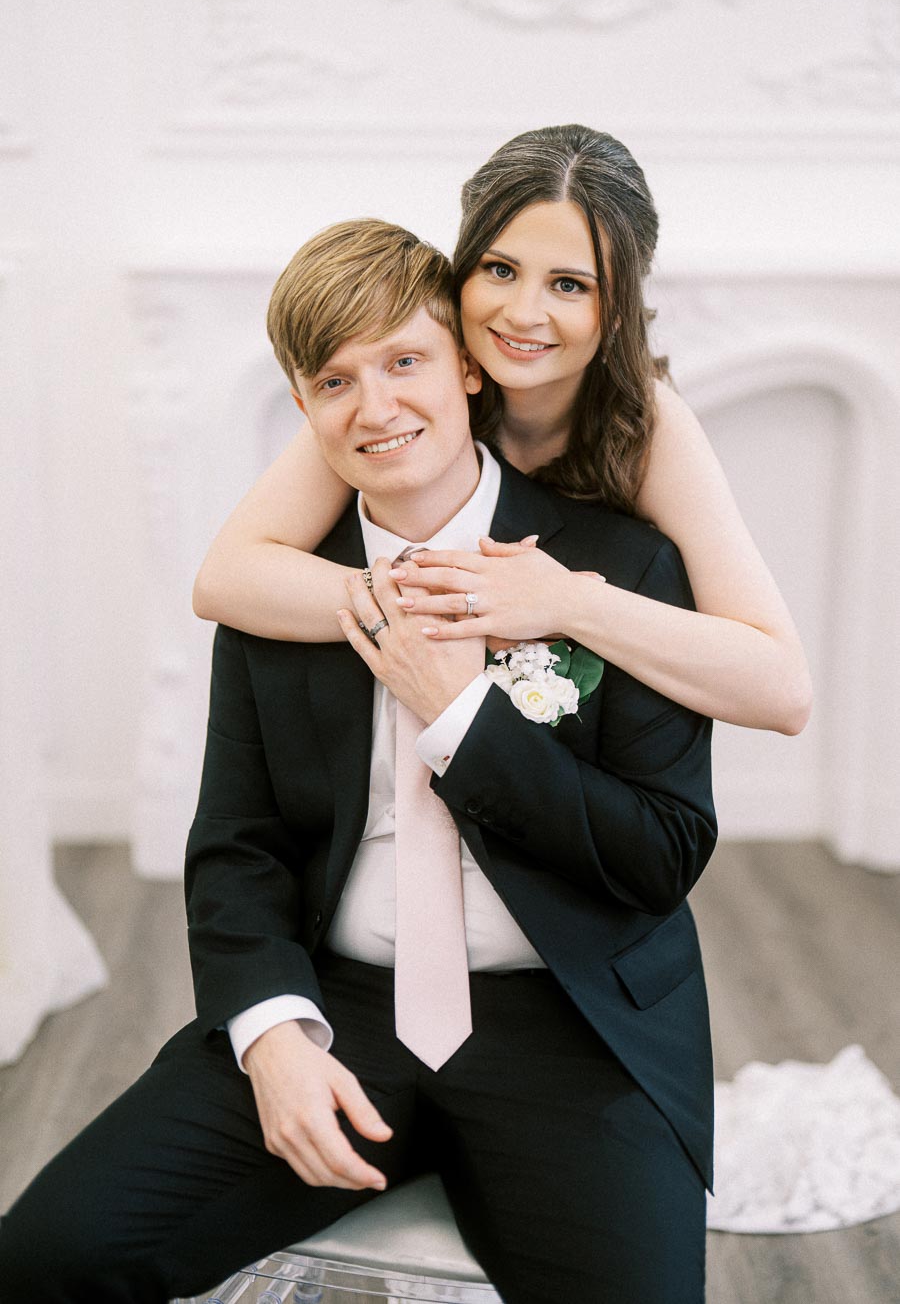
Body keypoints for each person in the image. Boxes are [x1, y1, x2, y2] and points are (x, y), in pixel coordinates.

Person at [0, 218, 717, 1303]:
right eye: (334, 381)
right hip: (339, 1003)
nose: (375, 407)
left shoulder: (618, 566)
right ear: (303, 410)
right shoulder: (277, 592)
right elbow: (237, 849)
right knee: (45, 1254)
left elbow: (661, 855)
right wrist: (273, 1036)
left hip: (569, 1022)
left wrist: (464, 717)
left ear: (469, 371)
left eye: (403, 361)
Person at [192, 123, 812, 735]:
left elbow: (782, 693)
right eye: (500, 270)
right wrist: (447, 605)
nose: (521, 314)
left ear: (618, 306)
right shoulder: (406, 394)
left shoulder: (651, 424)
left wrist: (566, 602)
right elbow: (227, 579)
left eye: (568, 284)